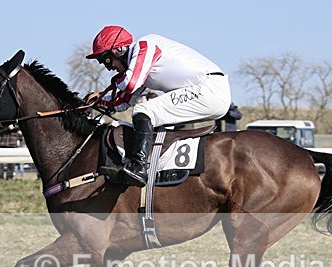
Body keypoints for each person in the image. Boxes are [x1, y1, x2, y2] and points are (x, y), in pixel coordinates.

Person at [86, 25, 231, 186]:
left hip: (210, 89)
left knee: (144, 109)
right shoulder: (140, 66)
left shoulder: (145, 45)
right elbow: (123, 101)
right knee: (151, 115)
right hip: (208, 91)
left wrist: (116, 82)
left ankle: (138, 167)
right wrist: (96, 102)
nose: (108, 68)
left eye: (106, 59)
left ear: (119, 50)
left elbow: (130, 84)